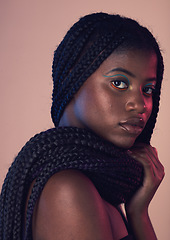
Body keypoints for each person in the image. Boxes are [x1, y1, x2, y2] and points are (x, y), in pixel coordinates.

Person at [0, 12, 165, 240]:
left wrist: (139, 214)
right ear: (73, 78)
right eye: (119, 83)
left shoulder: (97, 185)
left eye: (148, 90)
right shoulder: (68, 190)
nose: (140, 104)